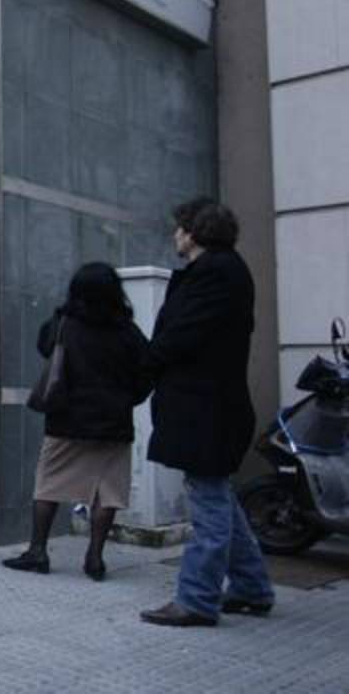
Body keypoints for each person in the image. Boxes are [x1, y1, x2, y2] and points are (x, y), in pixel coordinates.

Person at [140, 199, 275, 627]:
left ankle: (197, 599)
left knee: (209, 506)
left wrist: (138, 364)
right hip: (209, 407)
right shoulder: (223, 271)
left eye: (179, 228)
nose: (175, 235)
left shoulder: (216, 274)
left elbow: (182, 336)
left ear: (194, 233)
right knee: (217, 496)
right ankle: (252, 589)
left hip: (205, 410)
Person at [2, 263, 150, 580]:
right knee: (108, 493)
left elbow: (44, 347)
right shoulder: (127, 330)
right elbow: (147, 372)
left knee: (48, 485)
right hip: (114, 424)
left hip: (66, 419)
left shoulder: (64, 324)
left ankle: (38, 551)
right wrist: (126, 399)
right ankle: (95, 559)